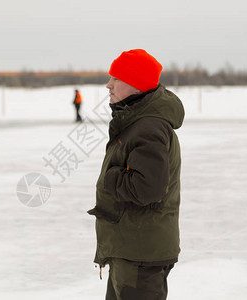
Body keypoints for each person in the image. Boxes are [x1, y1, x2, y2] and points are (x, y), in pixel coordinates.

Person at [88, 49, 184, 300]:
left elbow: (148, 189)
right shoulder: (137, 123)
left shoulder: (147, 128)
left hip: (140, 254)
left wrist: (110, 178)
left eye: (116, 78)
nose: (108, 85)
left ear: (136, 85)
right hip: (133, 249)